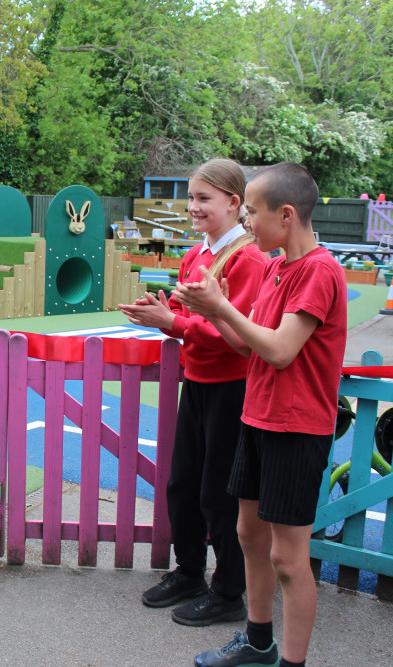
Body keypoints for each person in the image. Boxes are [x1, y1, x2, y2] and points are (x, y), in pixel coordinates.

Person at [174, 162, 346, 667]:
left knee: (288, 559)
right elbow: (246, 346)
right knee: (249, 534)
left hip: (296, 427)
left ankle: (290, 661)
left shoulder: (319, 271)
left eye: (250, 211)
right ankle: (257, 641)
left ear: (286, 215)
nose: (246, 223)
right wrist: (207, 309)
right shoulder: (274, 268)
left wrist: (222, 309)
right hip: (258, 418)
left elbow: (279, 351)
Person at [119, 158, 266, 626]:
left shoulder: (248, 258)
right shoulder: (196, 254)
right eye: (192, 197)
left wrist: (175, 323)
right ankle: (189, 572)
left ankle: (229, 591)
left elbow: (237, 334)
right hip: (198, 383)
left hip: (232, 388)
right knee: (183, 484)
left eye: (203, 198)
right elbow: (190, 319)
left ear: (233, 202)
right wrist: (161, 313)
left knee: (220, 494)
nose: (193, 207)